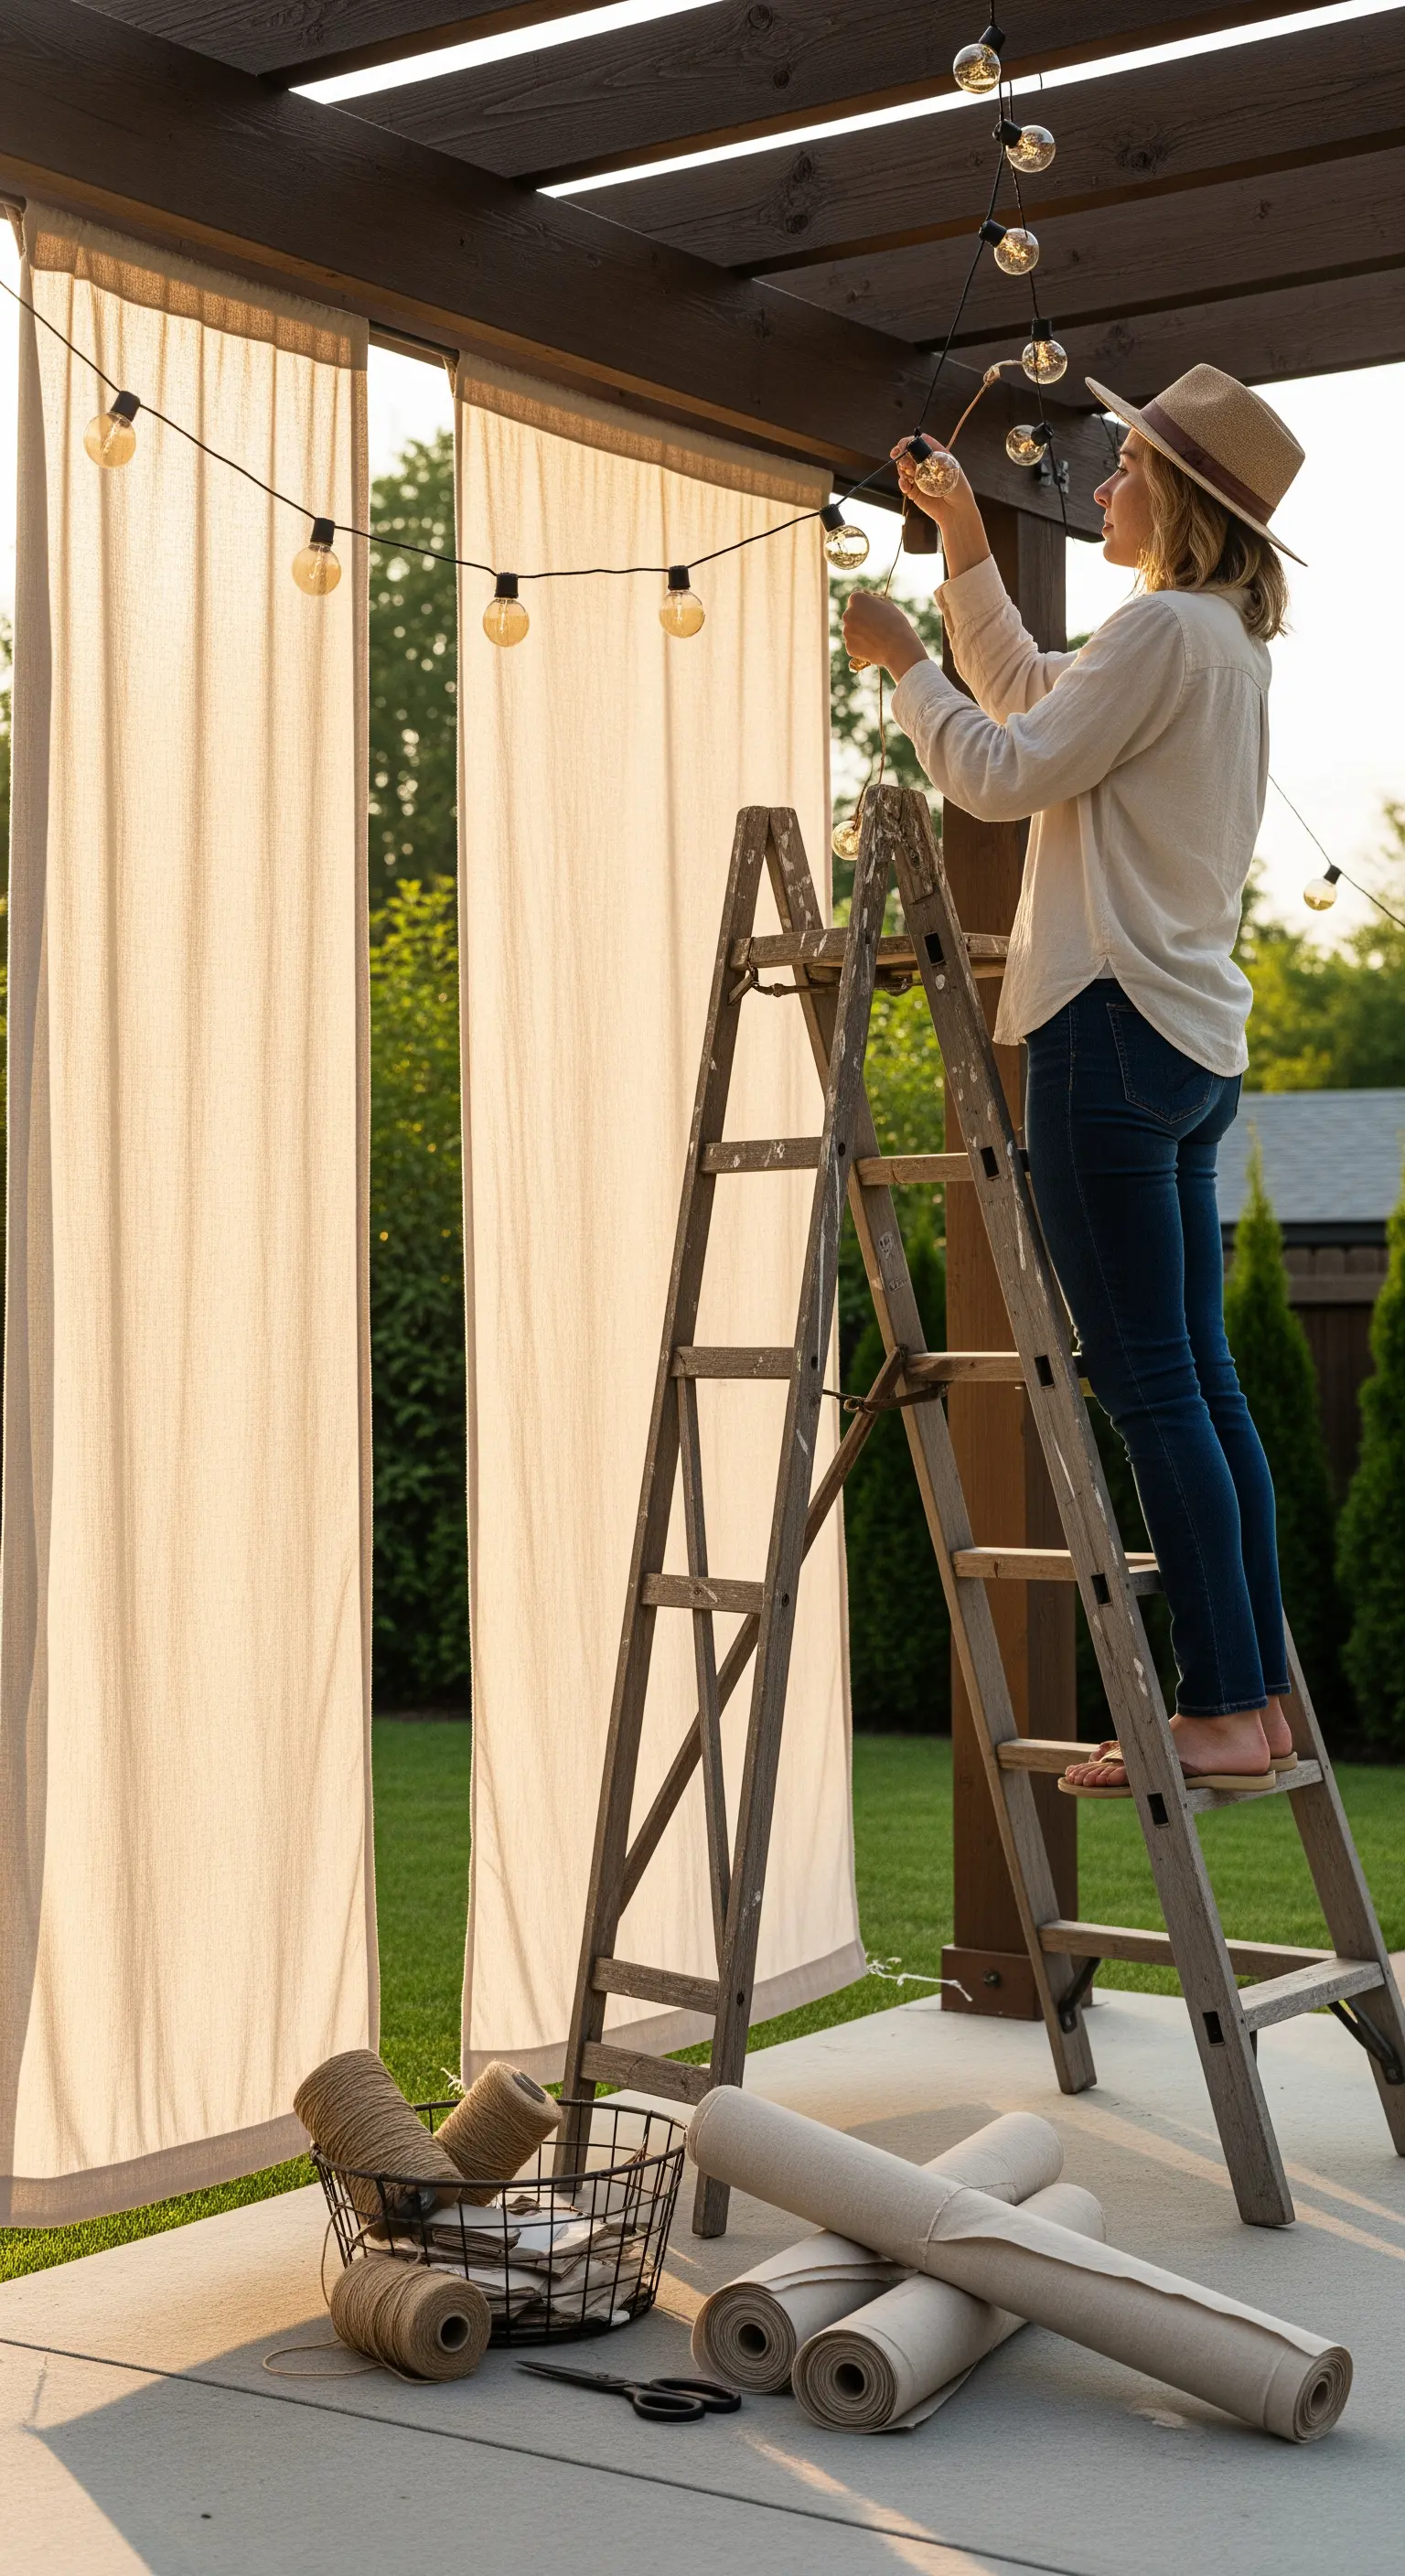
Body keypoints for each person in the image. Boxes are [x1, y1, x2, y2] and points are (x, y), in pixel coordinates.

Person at [841, 364, 1305, 1796]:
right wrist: (963, 542)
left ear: (1179, 498)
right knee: (1200, 1380)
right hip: (1184, 1044)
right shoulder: (1217, 645)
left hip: (1105, 1032)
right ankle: (1256, 1703)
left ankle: (1217, 1709)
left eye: (1124, 470)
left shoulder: (1161, 629)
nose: (1101, 486)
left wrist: (901, 664)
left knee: (1154, 1385)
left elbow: (997, 774)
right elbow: (1042, 701)